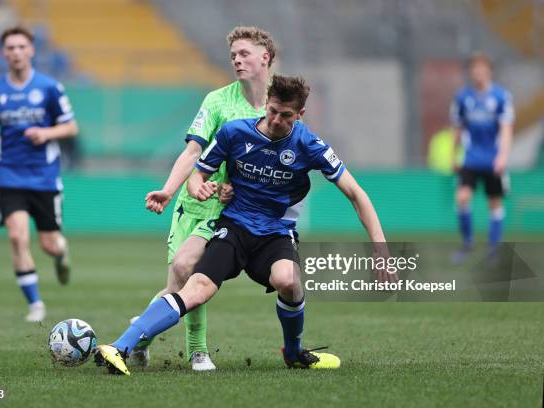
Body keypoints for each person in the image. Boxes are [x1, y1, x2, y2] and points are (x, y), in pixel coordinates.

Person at [94, 74, 392, 375]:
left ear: (300, 115)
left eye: (286, 115)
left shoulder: (309, 144)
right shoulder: (233, 133)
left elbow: (357, 194)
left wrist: (380, 249)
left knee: (288, 280)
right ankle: (119, 347)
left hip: (276, 233)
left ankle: (293, 352)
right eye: (272, 110)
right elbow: (199, 173)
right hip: (233, 227)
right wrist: (199, 187)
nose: (276, 120)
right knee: (196, 288)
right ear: (266, 104)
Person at [135, 26, 276, 371]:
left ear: (265, 57)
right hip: (191, 202)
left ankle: (197, 351)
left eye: (244, 54)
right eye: (233, 56)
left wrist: (238, 191)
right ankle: (140, 337)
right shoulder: (217, 101)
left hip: (227, 209)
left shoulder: (278, 107)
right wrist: (169, 190)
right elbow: (193, 150)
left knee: (188, 268)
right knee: (175, 285)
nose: (237, 60)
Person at [0, 26, 78, 322]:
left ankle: (61, 252)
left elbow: (71, 127)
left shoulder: (49, 88)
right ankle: (35, 304)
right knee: (17, 236)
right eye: (10, 48)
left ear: (31, 50)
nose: (16, 52)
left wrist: (46, 133)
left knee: (48, 244)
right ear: (3, 53)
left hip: (44, 177)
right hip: (9, 176)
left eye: (21, 47)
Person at [450, 52, 514, 263]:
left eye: (482, 70)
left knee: (494, 203)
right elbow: (457, 128)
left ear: (489, 72)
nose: (478, 74)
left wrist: (503, 156)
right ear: (471, 72)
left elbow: (506, 128)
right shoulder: (462, 98)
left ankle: (493, 248)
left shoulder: (500, 97)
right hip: (471, 159)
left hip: (493, 160)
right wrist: (454, 155)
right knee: (462, 198)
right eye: (475, 70)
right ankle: (467, 242)